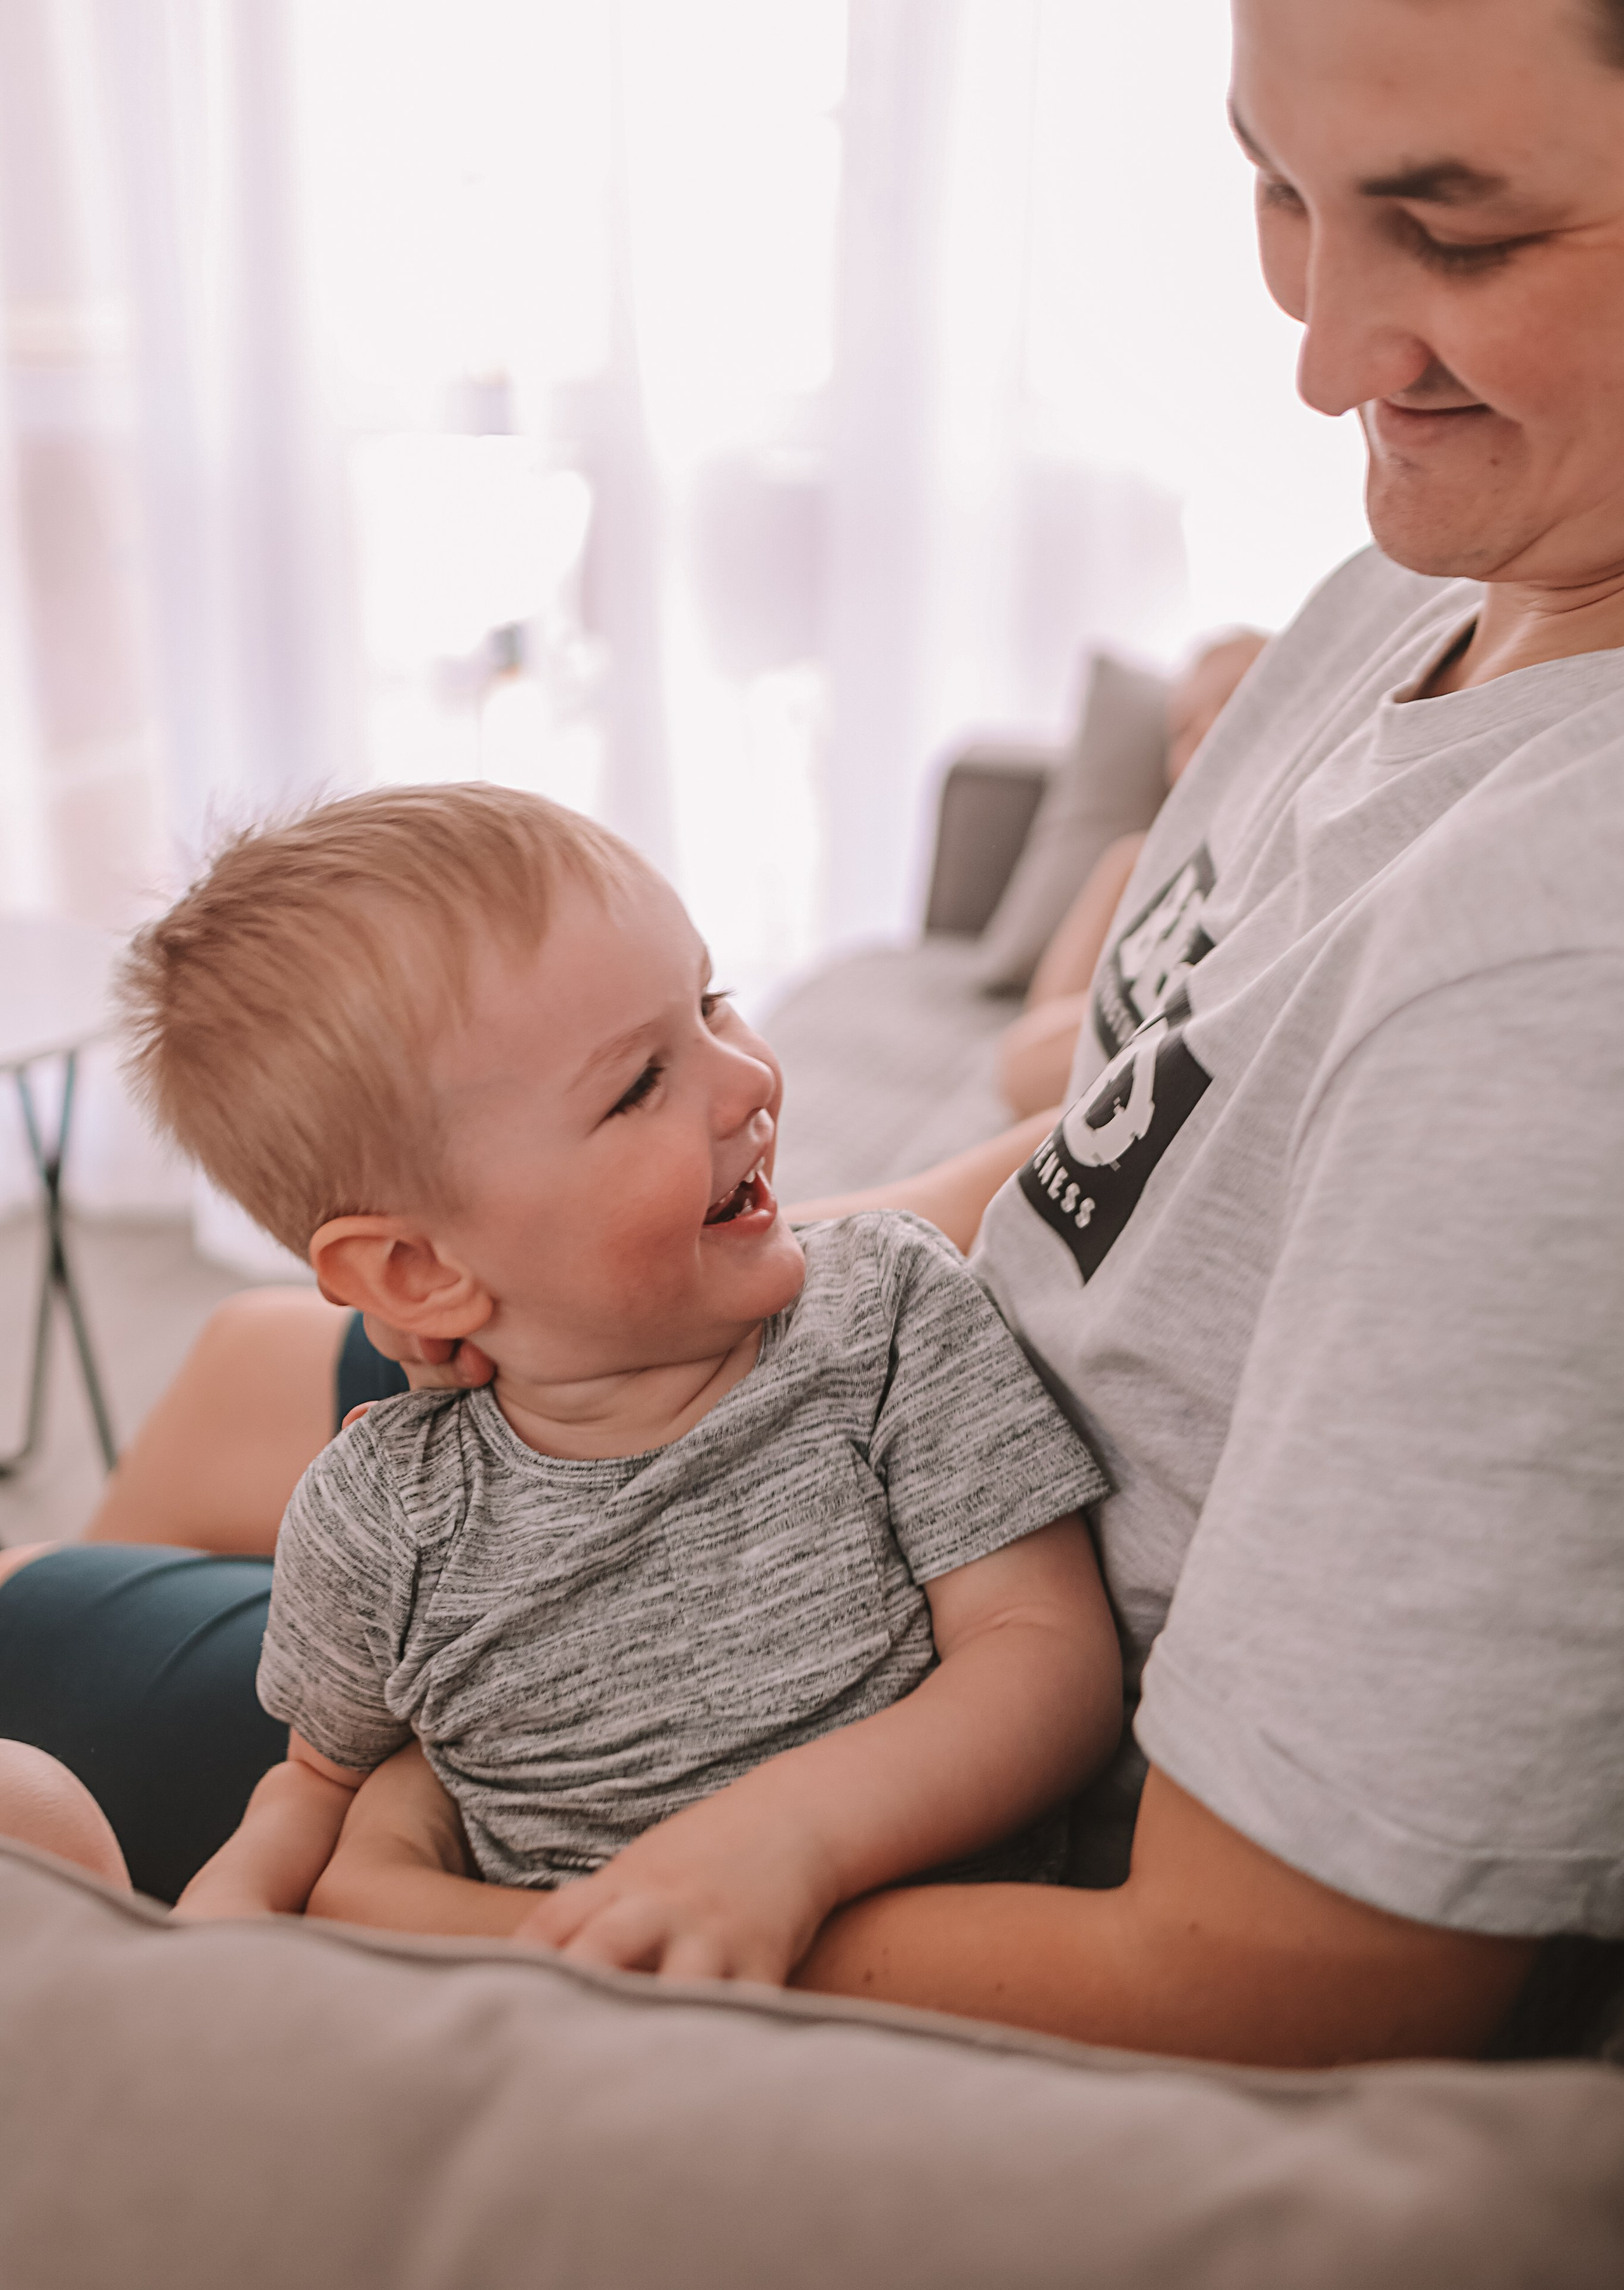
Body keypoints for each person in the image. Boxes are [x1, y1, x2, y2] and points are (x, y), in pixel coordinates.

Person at [2, 0, 1621, 2067]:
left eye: (1457, 235)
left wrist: (464, 1910)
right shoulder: (1421, 583)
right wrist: (676, 1297)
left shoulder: (1557, 960)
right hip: (728, 1454)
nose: (1316, 354)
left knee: (38, 1683)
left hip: (849, 1709)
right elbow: (1118, 1141)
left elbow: (1289, 1976)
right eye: (1279, 186)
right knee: (240, 1384)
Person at [91, 784, 1115, 1975]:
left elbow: (1046, 1654)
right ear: (417, 1272)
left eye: (714, 1002)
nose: (749, 1083)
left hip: (898, 2032)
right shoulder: (380, 1516)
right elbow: (320, 1782)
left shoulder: (888, 1316)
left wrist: (788, 1843)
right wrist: (223, 1915)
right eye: (640, 1084)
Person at [995, 630, 1269, 1120]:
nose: (1207, 731)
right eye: (1183, 729)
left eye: (1234, 706)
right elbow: (1034, 1050)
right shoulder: (1134, 866)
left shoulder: (1282, 873)